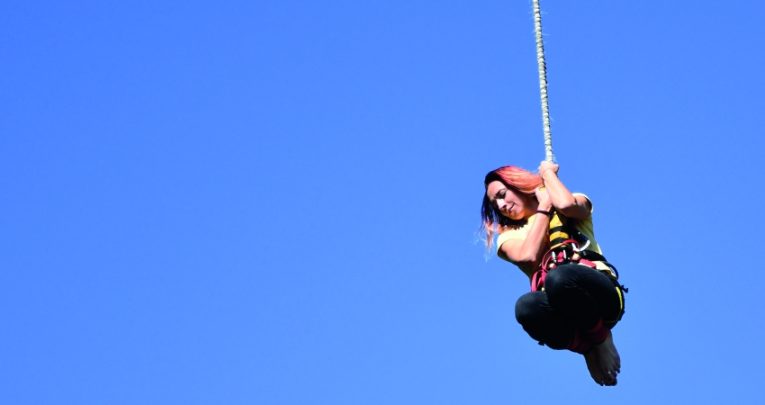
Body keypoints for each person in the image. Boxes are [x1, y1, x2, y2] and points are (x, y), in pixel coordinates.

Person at [481, 161, 626, 386]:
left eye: (502, 194)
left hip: (599, 295)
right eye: (495, 203)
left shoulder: (570, 199)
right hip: (564, 310)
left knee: (560, 278)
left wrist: (548, 175)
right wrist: (543, 209)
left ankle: (601, 337)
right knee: (525, 306)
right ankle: (587, 348)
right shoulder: (508, 238)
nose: (501, 205)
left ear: (518, 185)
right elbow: (528, 255)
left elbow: (567, 204)